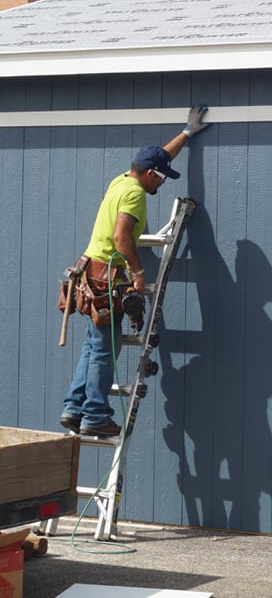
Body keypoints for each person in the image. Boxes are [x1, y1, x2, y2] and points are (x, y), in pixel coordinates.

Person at [60, 105, 210, 437]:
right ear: (149, 174)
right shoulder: (135, 194)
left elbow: (157, 158)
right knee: (104, 349)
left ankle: (74, 407)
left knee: (92, 345)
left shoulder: (122, 180)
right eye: (160, 176)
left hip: (89, 272)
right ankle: (95, 415)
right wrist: (138, 271)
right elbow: (121, 236)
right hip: (106, 278)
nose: (161, 181)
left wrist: (186, 133)